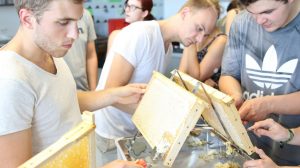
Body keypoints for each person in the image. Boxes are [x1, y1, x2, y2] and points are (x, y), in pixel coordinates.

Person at [0, 0, 145, 167]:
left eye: (78, 21)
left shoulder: (50, 52)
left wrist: (113, 95)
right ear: (27, 19)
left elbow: (59, 102)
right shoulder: (10, 81)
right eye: (63, 22)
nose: (75, 34)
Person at [94, 0, 221, 166]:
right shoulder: (141, 34)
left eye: (204, 34)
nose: (199, 39)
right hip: (109, 135)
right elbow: (111, 94)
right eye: (198, 28)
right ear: (185, 13)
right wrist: (162, 119)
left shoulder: (166, 47)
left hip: (129, 132)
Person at [219, 0, 300, 165]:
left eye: (267, 12)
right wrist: (235, 97)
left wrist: (269, 105)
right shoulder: (241, 22)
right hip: (247, 143)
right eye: (251, 12)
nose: (258, 21)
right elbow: (228, 74)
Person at [64, 8, 98, 91]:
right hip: (58, 91)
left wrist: (93, 90)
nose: (74, 35)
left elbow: (91, 56)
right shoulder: (48, 14)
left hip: (83, 88)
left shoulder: (85, 15)